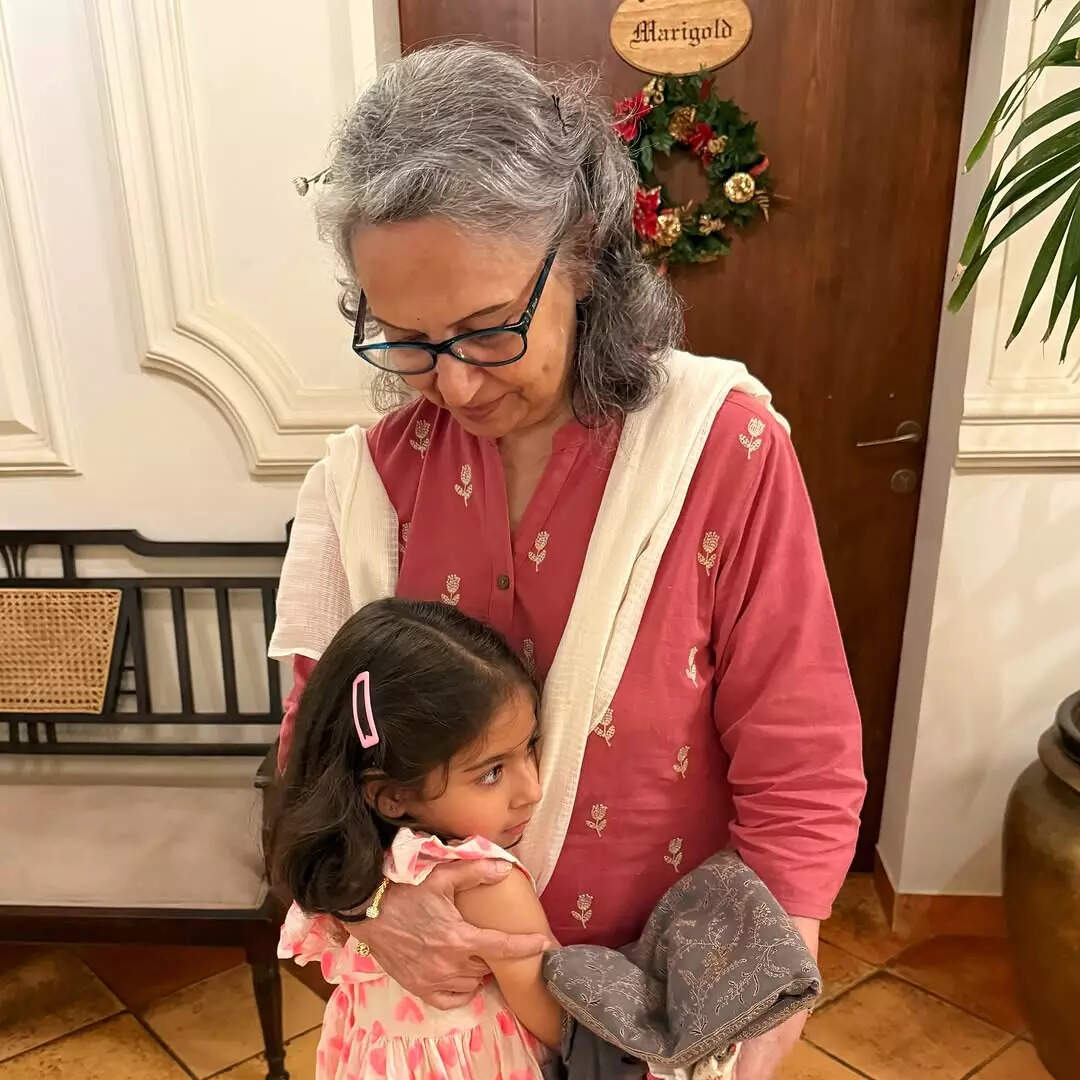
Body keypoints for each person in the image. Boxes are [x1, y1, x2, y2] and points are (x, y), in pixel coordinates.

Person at [270, 41, 866, 1080]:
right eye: (404, 340)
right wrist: (369, 908)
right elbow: (312, 759)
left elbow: (800, 759)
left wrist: (757, 1018)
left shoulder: (720, 449)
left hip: (657, 1014)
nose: (450, 387)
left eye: (488, 330)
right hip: (442, 1035)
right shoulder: (358, 489)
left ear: (582, 257)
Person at [271, 597, 560, 1079]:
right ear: (392, 795)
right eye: (491, 773)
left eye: (529, 748)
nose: (530, 790)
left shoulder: (348, 870)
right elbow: (557, 1020)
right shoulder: (486, 881)